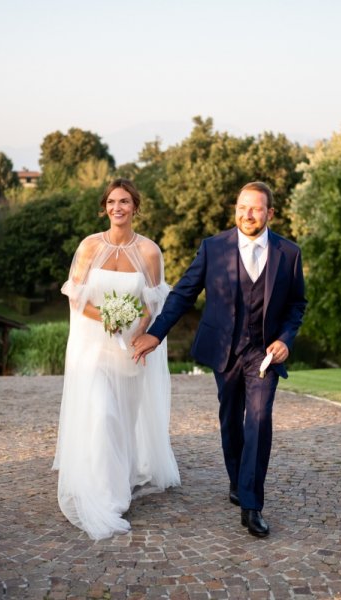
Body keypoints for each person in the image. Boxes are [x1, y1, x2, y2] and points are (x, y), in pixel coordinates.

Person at [132, 181, 306, 538]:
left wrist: (285, 339)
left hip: (264, 355)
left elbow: (296, 305)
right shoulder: (213, 248)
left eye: (256, 208)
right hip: (224, 349)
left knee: (258, 420)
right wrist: (155, 333)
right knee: (230, 419)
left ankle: (252, 504)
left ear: (270, 213)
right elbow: (183, 294)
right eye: (242, 207)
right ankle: (236, 480)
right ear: (235, 209)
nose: (248, 214)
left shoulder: (289, 253)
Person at [53, 178, 180, 540]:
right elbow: (75, 295)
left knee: (123, 417)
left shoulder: (151, 252)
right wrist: (108, 317)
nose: (117, 207)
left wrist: (138, 330)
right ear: (105, 207)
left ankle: (119, 474)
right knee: (102, 412)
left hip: (131, 349)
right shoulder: (90, 246)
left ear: (135, 207)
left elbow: (154, 302)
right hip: (92, 346)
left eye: (124, 201)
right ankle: (106, 496)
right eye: (111, 202)